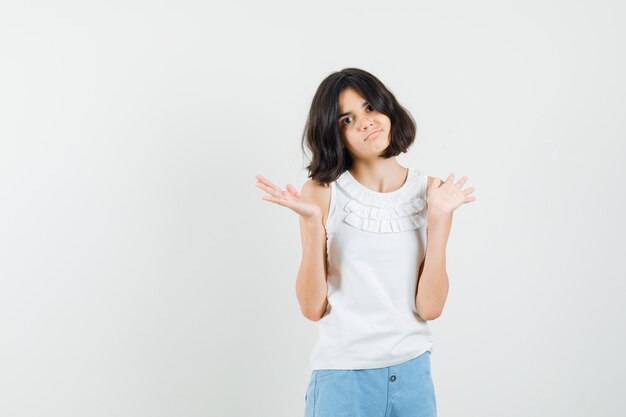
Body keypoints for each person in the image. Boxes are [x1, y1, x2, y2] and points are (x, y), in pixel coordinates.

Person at [254, 68, 476, 417]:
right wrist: (313, 224)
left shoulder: (432, 191)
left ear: (388, 109)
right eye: (347, 118)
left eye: (370, 107)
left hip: (412, 374)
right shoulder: (323, 192)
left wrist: (440, 220)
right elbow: (312, 309)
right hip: (344, 379)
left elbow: (430, 308)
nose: (365, 122)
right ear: (335, 132)